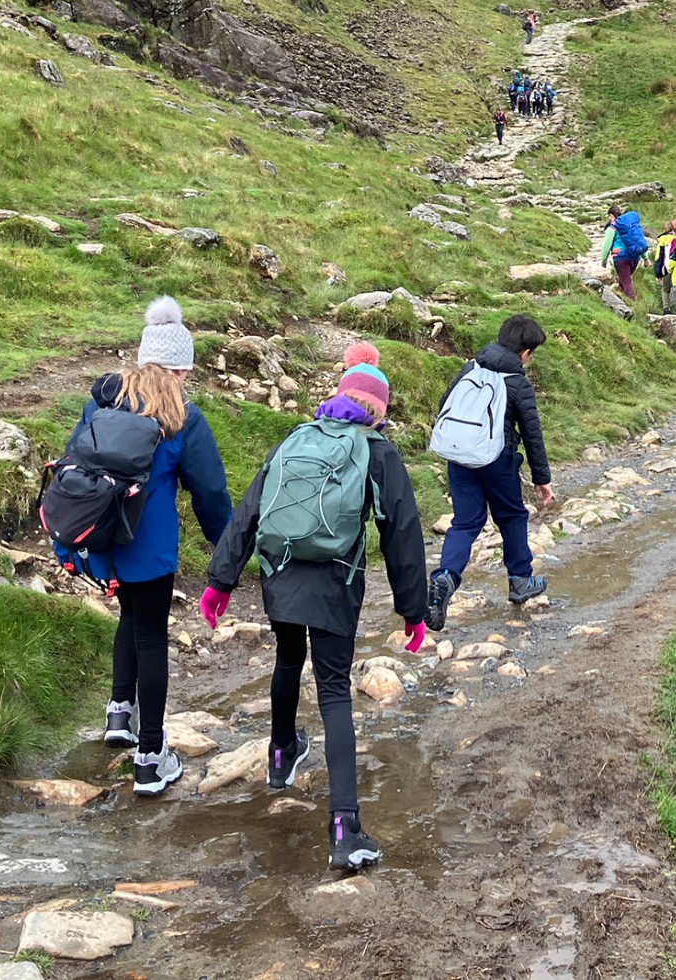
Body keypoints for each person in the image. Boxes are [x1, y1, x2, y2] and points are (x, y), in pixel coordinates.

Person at [200, 345, 427, 871]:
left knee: (287, 659)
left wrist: (220, 581)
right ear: (379, 409)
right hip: (334, 582)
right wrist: (413, 611)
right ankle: (345, 827)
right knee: (334, 691)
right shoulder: (377, 451)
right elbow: (403, 533)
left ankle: (281, 756)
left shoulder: (297, 438)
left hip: (278, 572)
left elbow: (250, 509)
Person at [59, 298, 232, 797]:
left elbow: (73, 464)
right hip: (149, 548)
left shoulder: (103, 401)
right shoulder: (182, 416)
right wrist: (227, 546)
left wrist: (69, 546)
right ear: (181, 369)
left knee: (129, 617)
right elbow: (210, 492)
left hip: (100, 540)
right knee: (152, 636)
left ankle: (119, 714)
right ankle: (152, 759)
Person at [425, 315, 554, 628]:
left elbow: (445, 403)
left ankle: (445, 577)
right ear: (525, 353)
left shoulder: (471, 367)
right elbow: (532, 433)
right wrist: (542, 479)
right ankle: (520, 580)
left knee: (465, 522)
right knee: (511, 516)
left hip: (460, 457)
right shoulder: (518, 383)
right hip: (498, 460)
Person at [600, 204, 648, 300]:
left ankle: (633, 303)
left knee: (626, 284)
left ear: (611, 215)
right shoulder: (630, 226)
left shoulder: (612, 228)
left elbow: (606, 245)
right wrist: (646, 258)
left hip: (621, 258)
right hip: (635, 258)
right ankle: (623, 300)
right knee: (624, 280)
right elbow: (639, 240)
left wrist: (603, 260)